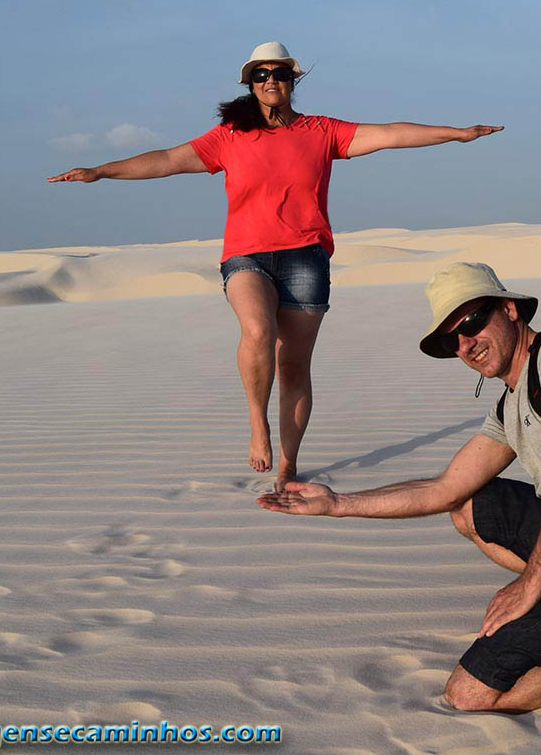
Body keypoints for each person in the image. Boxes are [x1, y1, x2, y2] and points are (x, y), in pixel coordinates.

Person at [48, 42, 502, 490]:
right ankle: (256, 424)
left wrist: (456, 133)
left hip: (305, 256)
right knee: (258, 331)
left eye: (279, 74)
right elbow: (166, 160)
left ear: (292, 80)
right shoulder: (228, 136)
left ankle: (288, 463)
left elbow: (390, 134)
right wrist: (101, 170)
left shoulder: (322, 131)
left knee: (295, 366)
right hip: (246, 254)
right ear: (249, 82)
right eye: (261, 74)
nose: (271, 81)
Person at [258, 262, 541, 712]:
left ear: (509, 309)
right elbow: (446, 487)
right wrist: (336, 503)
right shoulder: (515, 397)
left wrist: (530, 583)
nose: (467, 345)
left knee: (469, 695)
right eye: (453, 340)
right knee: (469, 505)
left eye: (471, 323)